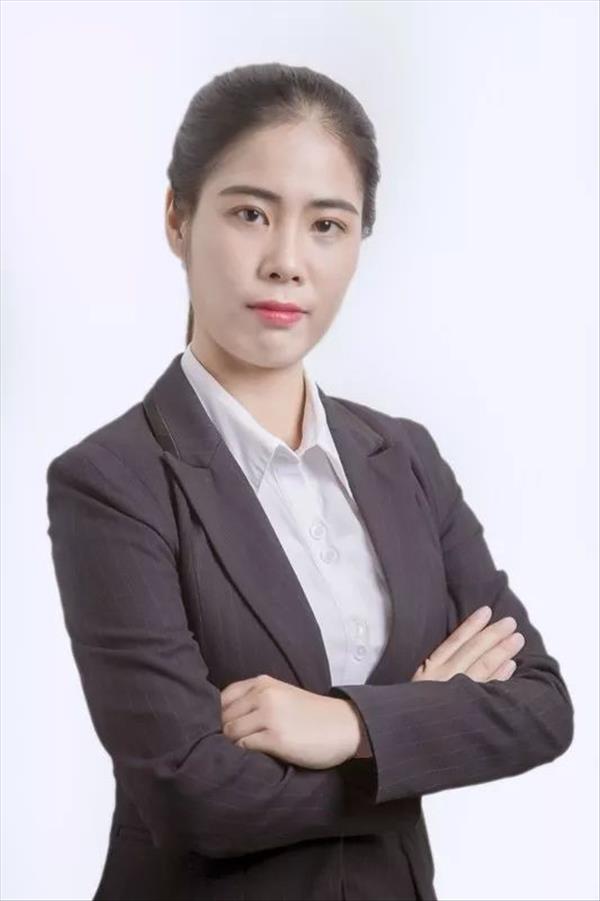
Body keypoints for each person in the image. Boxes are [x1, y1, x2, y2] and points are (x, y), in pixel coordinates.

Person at [46, 63, 574, 901]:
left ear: (360, 241)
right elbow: (193, 794)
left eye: (327, 224)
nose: (287, 262)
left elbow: (541, 707)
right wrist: (420, 733)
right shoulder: (113, 482)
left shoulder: (404, 457)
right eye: (250, 214)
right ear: (178, 217)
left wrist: (350, 724)